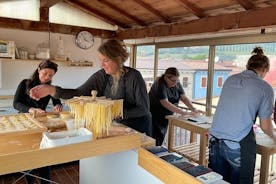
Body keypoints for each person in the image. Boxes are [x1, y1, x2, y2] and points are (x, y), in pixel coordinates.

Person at [29, 39, 152, 136]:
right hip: (117, 127)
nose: (102, 65)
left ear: (118, 59)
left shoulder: (134, 77)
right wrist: (52, 90)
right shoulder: (102, 76)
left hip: (138, 129)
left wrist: (116, 113)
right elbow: (79, 93)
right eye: (101, 60)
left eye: (106, 60)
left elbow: (143, 109)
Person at [208, 47, 276, 184]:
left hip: (215, 141)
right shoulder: (264, 88)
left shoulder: (231, 79)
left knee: (217, 181)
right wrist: (274, 136)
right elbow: (265, 125)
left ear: (247, 66)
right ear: (265, 70)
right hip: (237, 144)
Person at [13, 59, 62, 184]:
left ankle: (46, 182)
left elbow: (56, 100)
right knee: (29, 156)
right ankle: (31, 181)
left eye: (50, 75)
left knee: (44, 154)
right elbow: (16, 103)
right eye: (45, 73)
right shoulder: (25, 83)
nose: (47, 77)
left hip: (41, 123)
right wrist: (30, 109)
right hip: (25, 123)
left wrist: (58, 105)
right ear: (39, 70)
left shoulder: (49, 88)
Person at [149, 67, 203, 146]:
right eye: (173, 81)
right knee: (154, 137)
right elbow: (165, 102)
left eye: (177, 80)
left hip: (166, 114)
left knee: (160, 137)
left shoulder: (177, 83)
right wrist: (183, 112)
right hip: (154, 114)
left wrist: (193, 109)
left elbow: (184, 98)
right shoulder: (160, 84)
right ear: (166, 77)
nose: (175, 83)